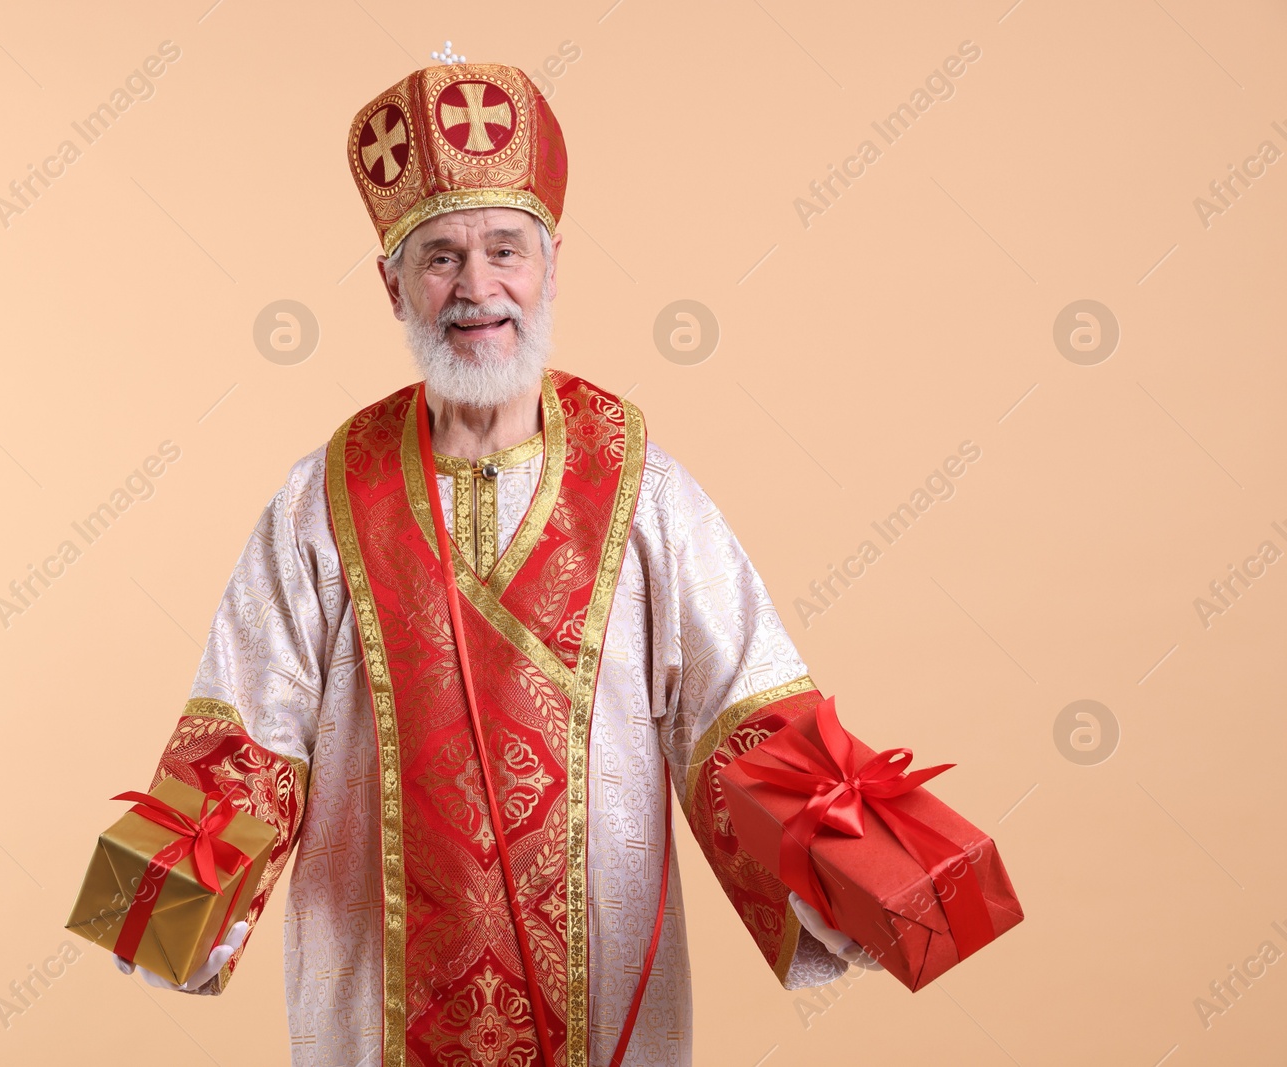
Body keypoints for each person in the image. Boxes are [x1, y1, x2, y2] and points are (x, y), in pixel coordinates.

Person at [114, 57, 874, 1066]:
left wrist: (859, 869)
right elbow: (250, 723)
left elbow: (740, 708)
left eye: (503, 250)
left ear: (550, 263)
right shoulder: (323, 497)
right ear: (391, 285)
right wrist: (157, 908)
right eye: (439, 258)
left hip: (598, 982)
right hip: (374, 985)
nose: (477, 289)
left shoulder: (639, 481)